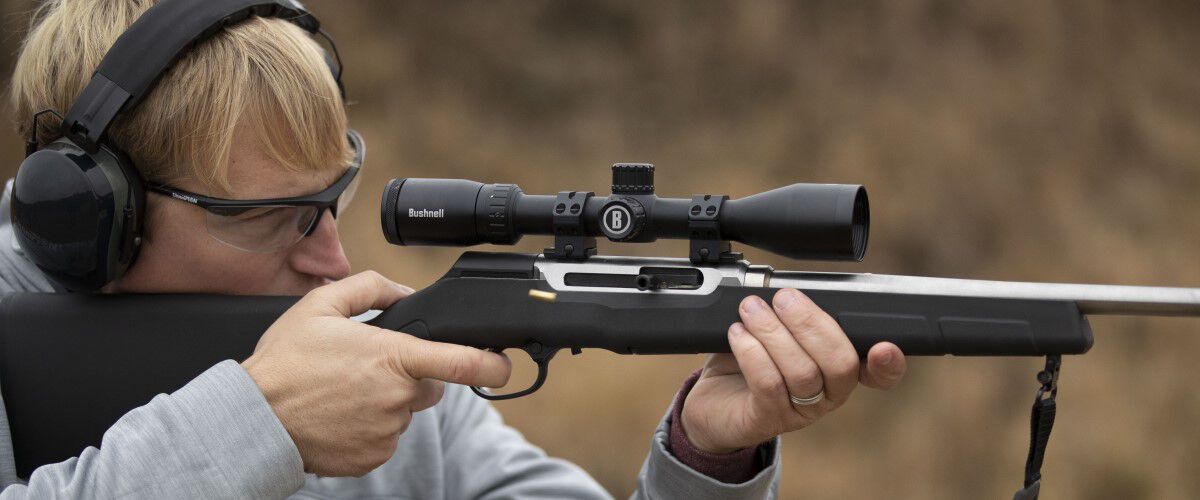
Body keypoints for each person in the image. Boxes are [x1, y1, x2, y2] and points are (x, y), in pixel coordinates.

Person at [0, 1, 907, 498]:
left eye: (335, 200)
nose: (335, 262)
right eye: (271, 217)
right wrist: (259, 424)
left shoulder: (383, 373)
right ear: (89, 222)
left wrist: (707, 459)